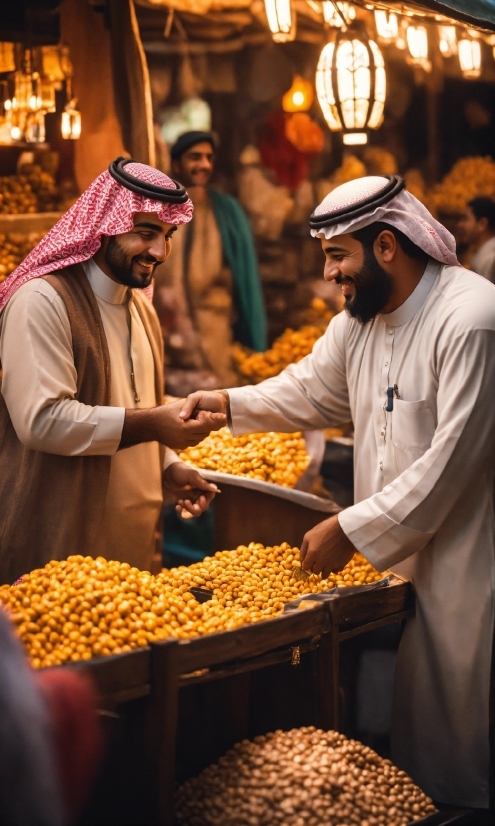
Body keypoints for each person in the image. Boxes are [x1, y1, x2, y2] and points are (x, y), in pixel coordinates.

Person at [180, 174, 495, 812]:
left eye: (337, 255)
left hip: (467, 562)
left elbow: (452, 463)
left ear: (386, 246)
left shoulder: (471, 320)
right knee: (404, 737)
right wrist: (224, 403)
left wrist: (350, 526)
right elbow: (308, 390)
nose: (328, 273)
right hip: (397, 563)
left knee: (461, 738)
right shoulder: (359, 319)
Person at [0, 157, 226, 584]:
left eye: (167, 236)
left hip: (133, 556)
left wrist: (167, 465)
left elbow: (138, 408)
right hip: (60, 552)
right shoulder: (42, 301)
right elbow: (41, 421)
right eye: (145, 233)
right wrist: (158, 426)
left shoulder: (141, 309)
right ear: (105, 224)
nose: (159, 252)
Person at [153, 130, 267, 393]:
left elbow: (246, 284)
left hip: (216, 348)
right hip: (170, 350)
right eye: (195, 157)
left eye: (208, 158)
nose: (204, 164)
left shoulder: (226, 213)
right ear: (176, 164)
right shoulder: (158, 215)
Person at [458, 196, 495, 282]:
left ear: (482, 224)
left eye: (465, 218)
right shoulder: (480, 255)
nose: (460, 224)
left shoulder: (492, 260)